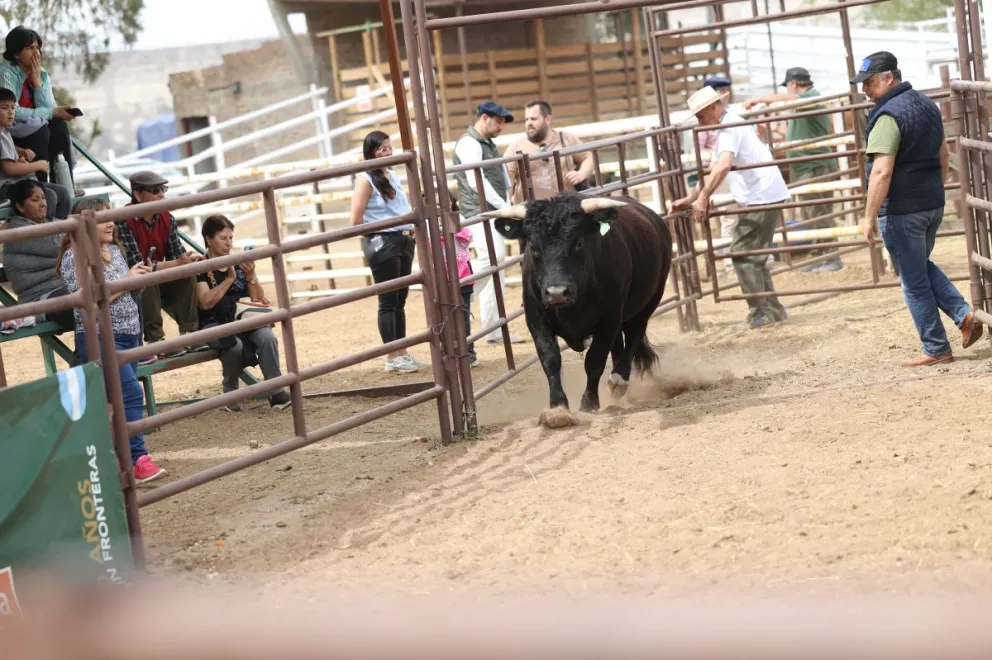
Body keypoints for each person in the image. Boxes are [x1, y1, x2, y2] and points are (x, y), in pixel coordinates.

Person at [854, 51, 983, 366]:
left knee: (912, 279)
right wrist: (933, 190)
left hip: (901, 208)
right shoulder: (926, 105)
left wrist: (868, 217)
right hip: (930, 203)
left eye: (869, 82)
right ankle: (964, 315)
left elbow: (882, 172)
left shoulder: (886, 116)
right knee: (918, 267)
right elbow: (942, 154)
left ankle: (937, 347)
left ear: (889, 78)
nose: (865, 90)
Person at [57, 196, 167, 484]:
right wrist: (124, 282)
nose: (110, 223)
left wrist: (136, 281)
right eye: (102, 219)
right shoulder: (75, 257)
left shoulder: (113, 251)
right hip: (101, 336)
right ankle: (137, 460)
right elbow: (88, 303)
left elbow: (120, 294)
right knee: (128, 395)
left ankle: (117, 458)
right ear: (83, 224)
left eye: (110, 216)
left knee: (116, 399)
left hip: (128, 335)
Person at [673, 85, 790, 330]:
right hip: (763, 194)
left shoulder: (727, 129)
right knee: (751, 254)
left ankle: (762, 312)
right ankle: (771, 311)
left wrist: (702, 197)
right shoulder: (728, 125)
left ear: (714, 108)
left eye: (701, 114)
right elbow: (718, 167)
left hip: (761, 196)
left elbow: (723, 166)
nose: (698, 120)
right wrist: (692, 197)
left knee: (742, 252)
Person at [744, 66, 841, 272]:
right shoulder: (804, 105)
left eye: (789, 86)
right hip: (806, 165)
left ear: (793, 84)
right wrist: (772, 130)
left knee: (818, 212)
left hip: (814, 164)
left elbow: (791, 101)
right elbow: (794, 131)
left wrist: (761, 100)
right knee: (811, 213)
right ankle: (819, 255)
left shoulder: (810, 98)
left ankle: (832, 256)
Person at [348, 131, 427, 374]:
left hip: (403, 240)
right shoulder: (365, 179)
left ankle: (402, 351)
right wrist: (379, 235)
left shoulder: (391, 175)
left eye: (389, 148)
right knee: (388, 300)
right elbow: (356, 220)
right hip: (385, 242)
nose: (388, 153)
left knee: (399, 300)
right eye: (382, 149)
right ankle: (392, 355)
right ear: (371, 153)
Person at [196, 215, 292, 411]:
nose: (229, 243)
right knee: (234, 346)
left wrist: (250, 276)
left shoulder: (238, 261)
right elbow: (205, 302)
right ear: (208, 239)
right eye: (223, 238)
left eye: (231, 238)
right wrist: (229, 279)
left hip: (244, 318)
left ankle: (276, 392)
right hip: (215, 322)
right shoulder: (200, 266)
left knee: (267, 336)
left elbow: (257, 300)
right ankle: (230, 394)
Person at [453, 100, 525, 345]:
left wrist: (505, 203)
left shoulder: (484, 144)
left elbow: (493, 179)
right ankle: (463, 296)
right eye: (498, 122)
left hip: (489, 210)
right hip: (480, 211)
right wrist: (504, 206)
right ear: (484, 118)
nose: (500, 127)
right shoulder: (470, 143)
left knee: (497, 264)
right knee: (493, 260)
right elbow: (477, 182)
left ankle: (492, 327)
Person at [117, 170, 203, 359]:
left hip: (154, 277)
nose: (162, 195)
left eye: (163, 189)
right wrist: (177, 262)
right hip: (128, 282)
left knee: (187, 273)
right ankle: (156, 339)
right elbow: (136, 265)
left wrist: (186, 261)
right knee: (145, 277)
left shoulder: (167, 218)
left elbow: (176, 255)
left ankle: (191, 333)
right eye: (155, 190)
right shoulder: (123, 221)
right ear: (138, 195)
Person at [0, 26, 76, 186]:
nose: (36, 53)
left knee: (59, 126)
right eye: (30, 48)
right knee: (40, 129)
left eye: (38, 48)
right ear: (16, 53)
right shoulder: (6, 72)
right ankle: (41, 187)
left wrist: (37, 82)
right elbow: (14, 110)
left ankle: (64, 184)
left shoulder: (40, 73)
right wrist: (49, 113)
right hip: (10, 125)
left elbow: (50, 108)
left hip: (33, 123)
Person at [1, 179, 74, 330]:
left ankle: (100, 352)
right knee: (87, 303)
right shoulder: (19, 229)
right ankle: (90, 353)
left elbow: (68, 236)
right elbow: (62, 243)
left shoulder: (45, 223)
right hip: (38, 301)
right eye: (35, 199)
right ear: (20, 206)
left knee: (118, 293)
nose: (43, 203)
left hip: (61, 290)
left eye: (43, 197)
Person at [504, 99, 596, 203]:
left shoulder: (566, 139)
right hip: (531, 212)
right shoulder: (517, 146)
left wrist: (581, 173)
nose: (529, 123)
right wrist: (506, 203)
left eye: (533, 119)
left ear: (547, 119)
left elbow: (588, 157)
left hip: (563, 208)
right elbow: (507, 177)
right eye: (526, 119)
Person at [0, 87, 71, 217]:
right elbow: (10, 168)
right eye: (4, 108)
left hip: (12, 185)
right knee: (57, 195)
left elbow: (5, 150)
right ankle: (49, 232)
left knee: (56, 193)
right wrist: (39, 165)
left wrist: (21, 151)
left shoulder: (4, 131)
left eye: (13, 108)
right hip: (5, 189)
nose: (10, 112)